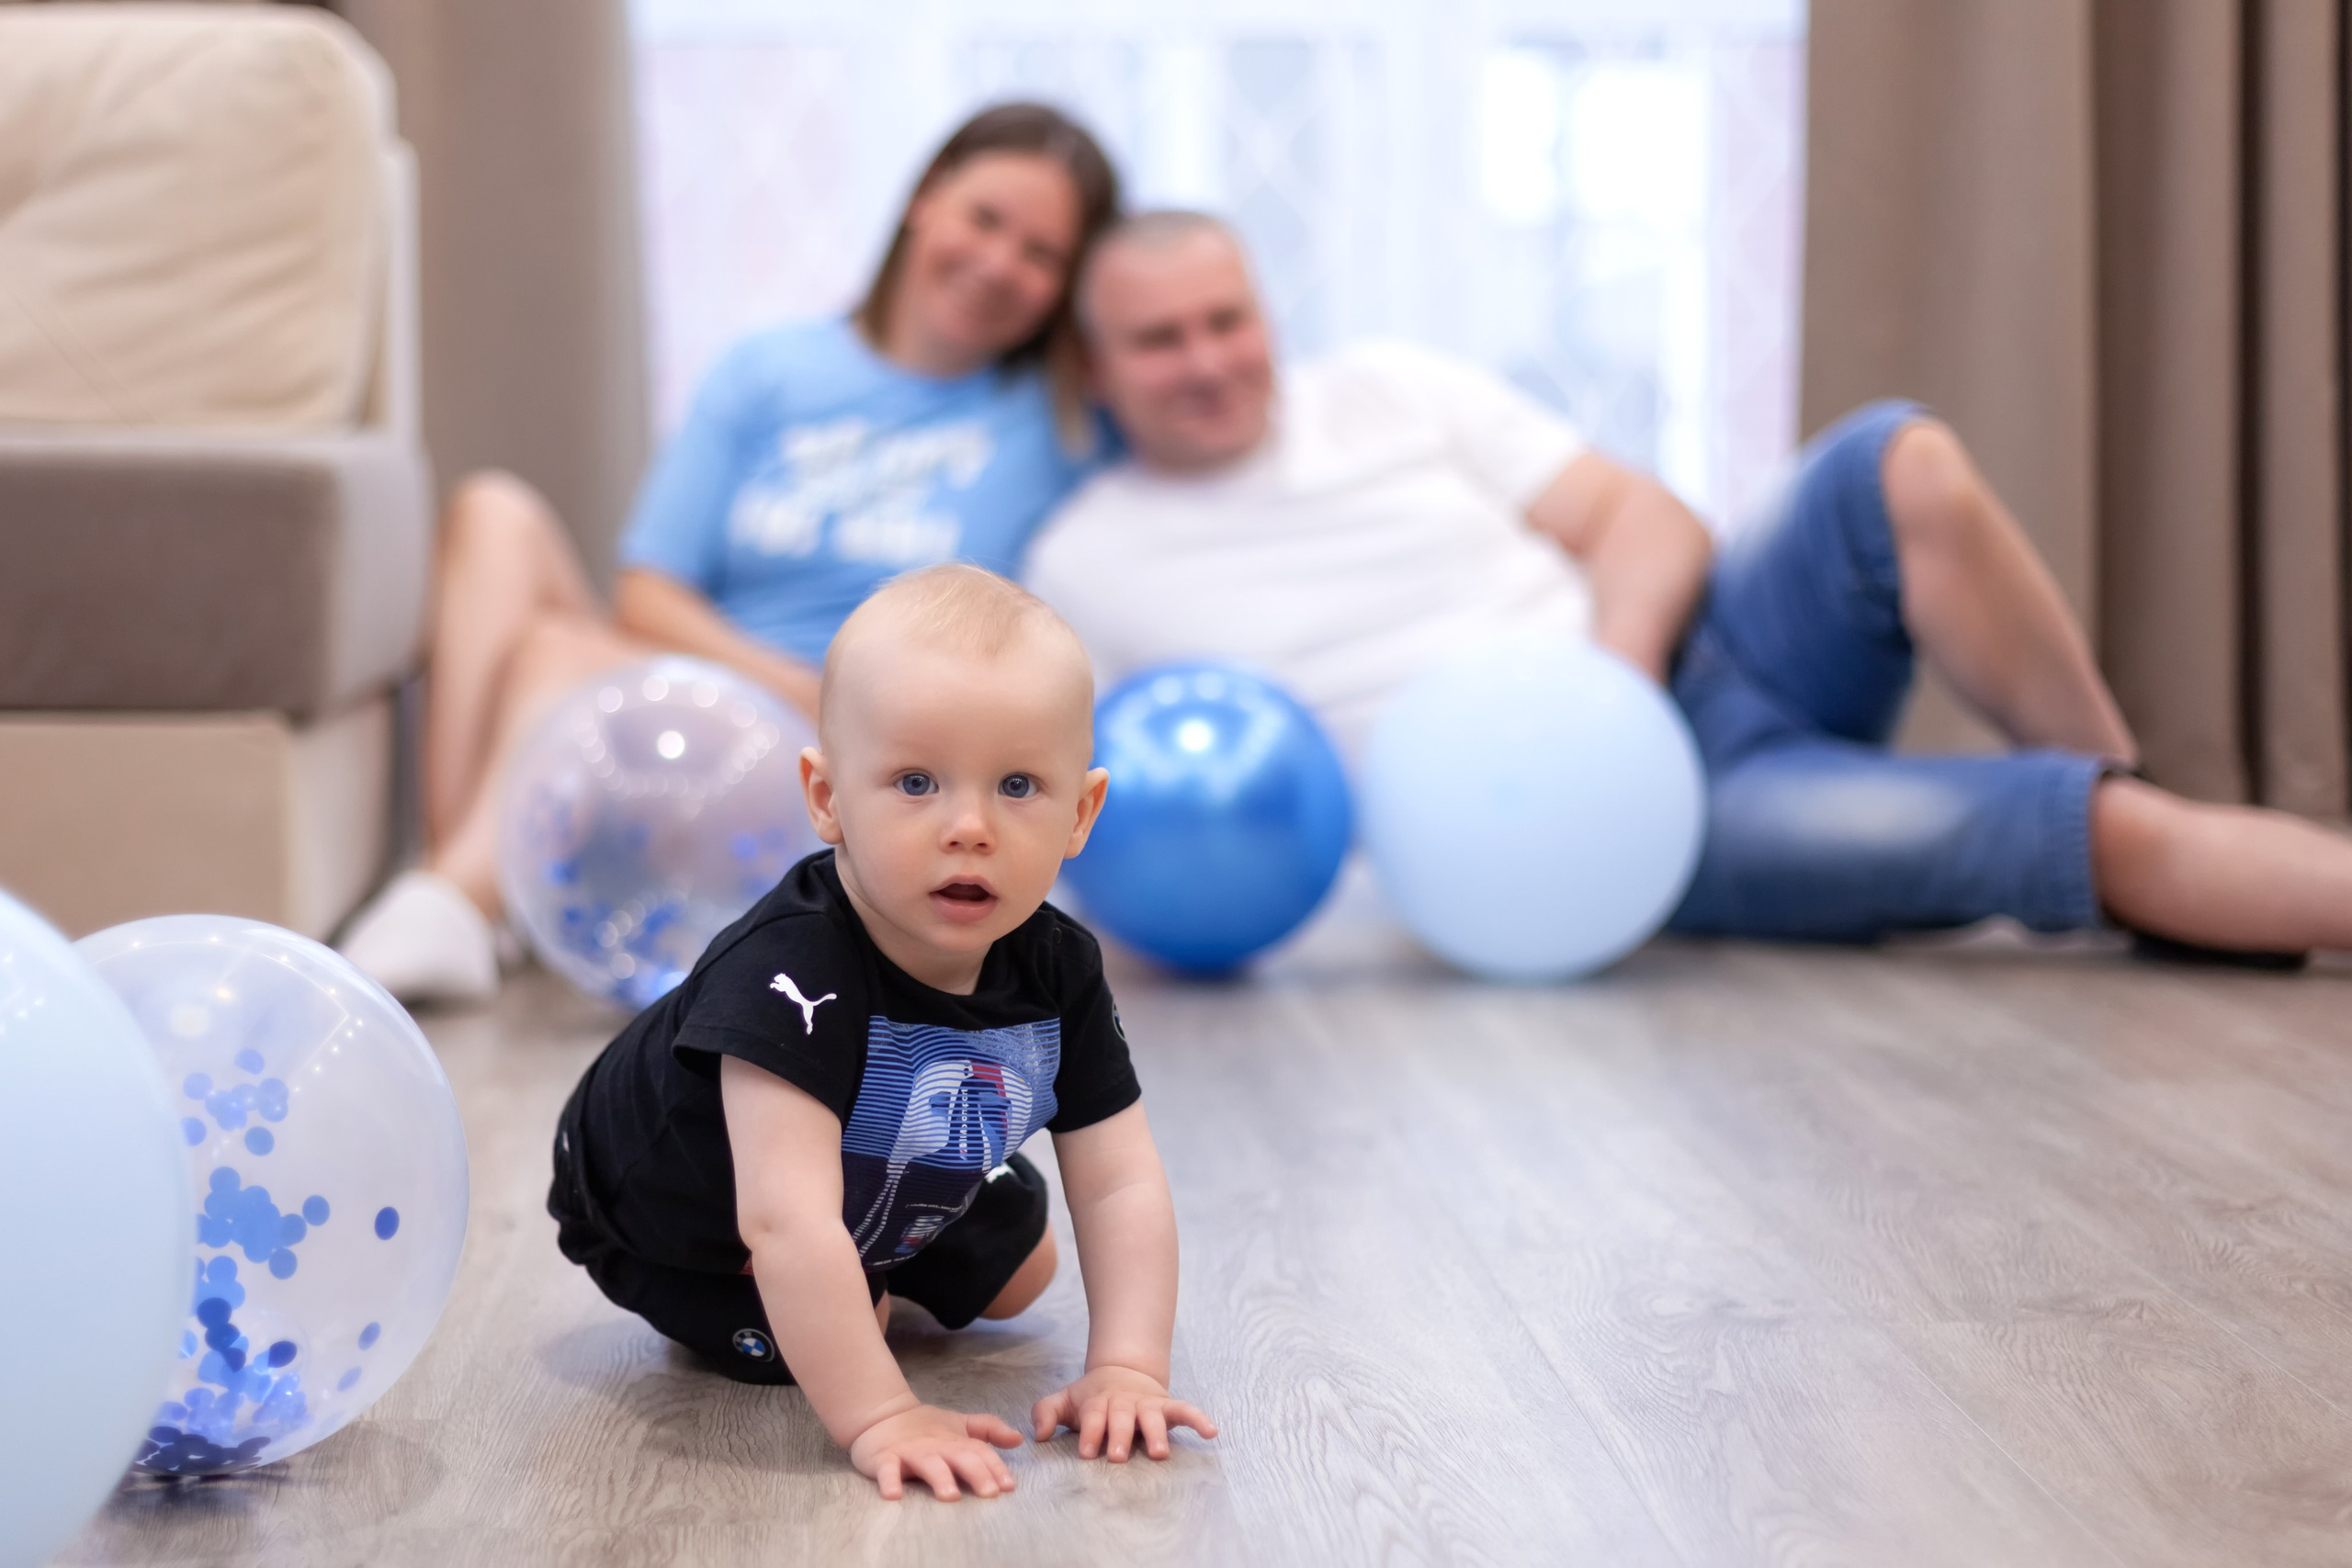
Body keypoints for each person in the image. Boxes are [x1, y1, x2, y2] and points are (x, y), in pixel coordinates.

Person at [1024, 210, 2352, 959]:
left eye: (1228, 319)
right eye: (1160, 340)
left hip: (1691, 662)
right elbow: (1055, 792)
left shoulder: (1387, 390)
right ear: (1095, 369)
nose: (1209, 359)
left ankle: (2120, 780)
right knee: (2086, 834)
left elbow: (1643, 517)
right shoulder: (1089, 558)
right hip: (1633, 829)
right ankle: (2136, 843)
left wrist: (1617, 674)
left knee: (1906, 458)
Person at [339, 104, 1123, 1004]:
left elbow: (1176, 405)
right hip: (699, 702)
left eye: (1041, 255)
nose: (998, 265)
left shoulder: (1059, 426)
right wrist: (769, 679)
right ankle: (473, 888)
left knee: (555, 655)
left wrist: (825, 701)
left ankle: (459, 898)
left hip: (857, 759)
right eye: (985, 220)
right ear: (925, 200)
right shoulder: (770, 368)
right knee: (493, 515)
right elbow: (647, 595)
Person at [548, 565, 1215, 1500]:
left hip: (857, 1162)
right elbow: (780, 1220)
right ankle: (808, 1286)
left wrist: (1129, 1368)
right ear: (825, 799)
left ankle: (874, 1252)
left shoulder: (1057, 963)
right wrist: (883, 1414)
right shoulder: (791, 968)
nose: (969, 827)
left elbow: (1121, 1182)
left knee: (1025, 1271)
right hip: (685, 1211)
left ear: (1081, 812)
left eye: (1018, 784)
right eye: (915, 782)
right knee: (831, 1310)